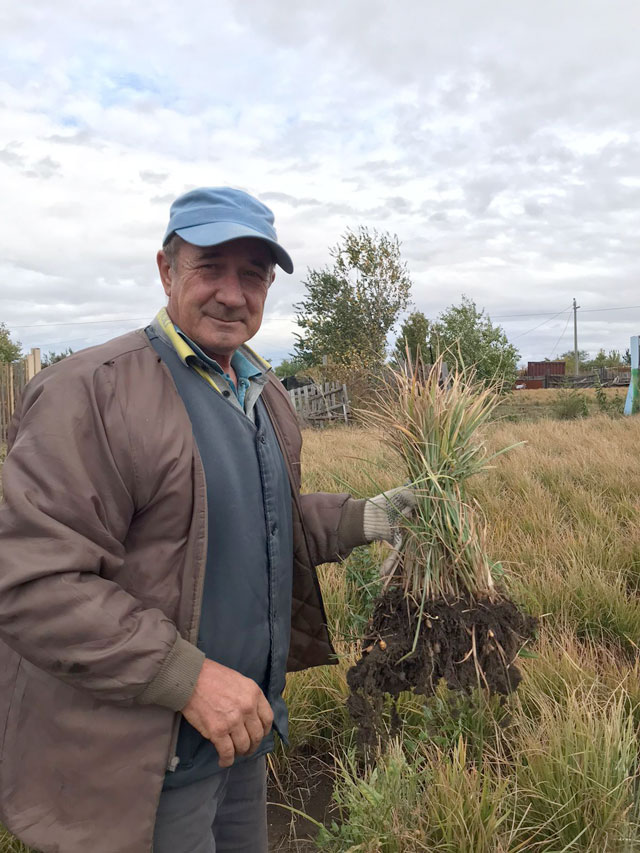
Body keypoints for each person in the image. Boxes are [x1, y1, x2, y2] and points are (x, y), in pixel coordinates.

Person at [0, 187, 415, 853]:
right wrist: (188, 678)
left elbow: (259, 527)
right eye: (210, 266)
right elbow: (32, 581)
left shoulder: (264, 394)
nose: (231, 292)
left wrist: (367, 518)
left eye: (252, 273)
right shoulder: (94, 392)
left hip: (240, 737)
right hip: (136, 767)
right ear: (166, 270)